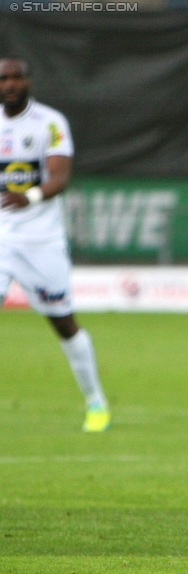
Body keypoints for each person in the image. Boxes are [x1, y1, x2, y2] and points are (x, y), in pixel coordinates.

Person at [0, 57, 111, 433]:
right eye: (4, 78)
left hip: (40, 239)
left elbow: (60, 177)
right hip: (1, 236)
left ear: (28, 82)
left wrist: (27, 197)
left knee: (62, 322)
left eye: (17, 77)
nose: (11, 84)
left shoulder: (49, 122)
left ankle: (95, 402)